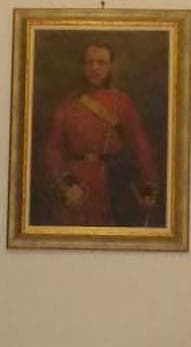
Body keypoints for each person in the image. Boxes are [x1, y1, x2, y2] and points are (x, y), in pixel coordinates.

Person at [41, 42, 160, 227]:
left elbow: (141, 145)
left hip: (115, 182)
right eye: (89, 62)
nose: (95, 67)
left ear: (110, 66)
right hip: (77, 184)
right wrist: (68, 183)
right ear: (83, 66)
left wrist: (148, 185)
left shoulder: (122, 102)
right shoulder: (68, 104)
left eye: (101, 62)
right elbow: (52, 149)